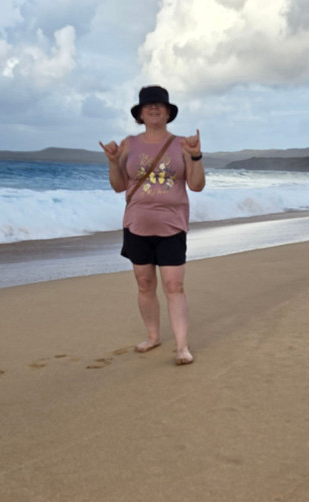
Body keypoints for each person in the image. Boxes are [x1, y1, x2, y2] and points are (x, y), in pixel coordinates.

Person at [100, 86, 205, 365]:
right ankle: (153, 336)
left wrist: (195, 156)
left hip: (172, 225)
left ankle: (182, 347)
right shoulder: (129, 145)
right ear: (140, 114)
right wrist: (112, 162)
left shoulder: (183, 144)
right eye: (149, 105)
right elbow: (118, 185)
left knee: (173, 286)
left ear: (169, 112)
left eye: (160, 105)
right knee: (144, 283)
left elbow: (196, 186)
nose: (154, 108)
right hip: (137, 225)